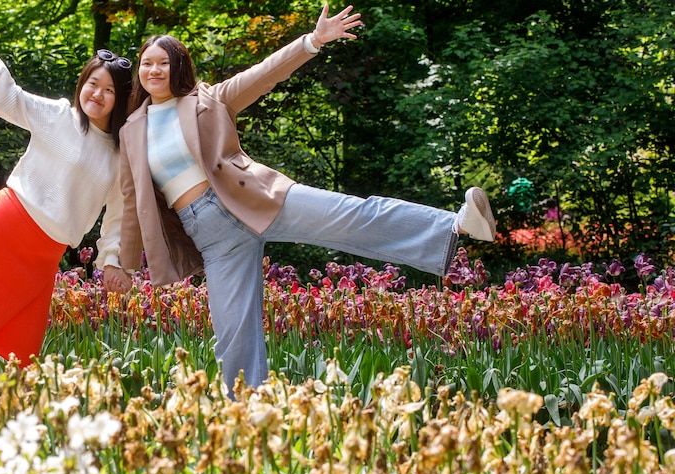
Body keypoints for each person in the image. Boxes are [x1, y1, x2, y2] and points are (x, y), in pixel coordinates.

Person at [113, 3, 497, 394]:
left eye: (164, 63)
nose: (154, 70)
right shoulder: (131, 131)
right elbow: (132, 202)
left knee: (353, 214)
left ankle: (457, 224)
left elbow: (262, 74)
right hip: (211, 234)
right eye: (147, 63)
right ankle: (245, 412)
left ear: (179, 67)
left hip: (258, 198)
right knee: (232, 333)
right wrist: (124, 264)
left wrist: (313, 41)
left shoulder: (208, 99)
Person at [0, 7, 135, 366]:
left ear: (120, 99)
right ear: (82, 83)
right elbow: (9, 98)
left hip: (44, 254)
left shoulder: (120, 158)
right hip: (4, 222)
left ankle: (5, 398)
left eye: (109, 90)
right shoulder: (58, 115)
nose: (97, 94)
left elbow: (118, 219)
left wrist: (112, 262)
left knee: (21, 349)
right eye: (92, 84)